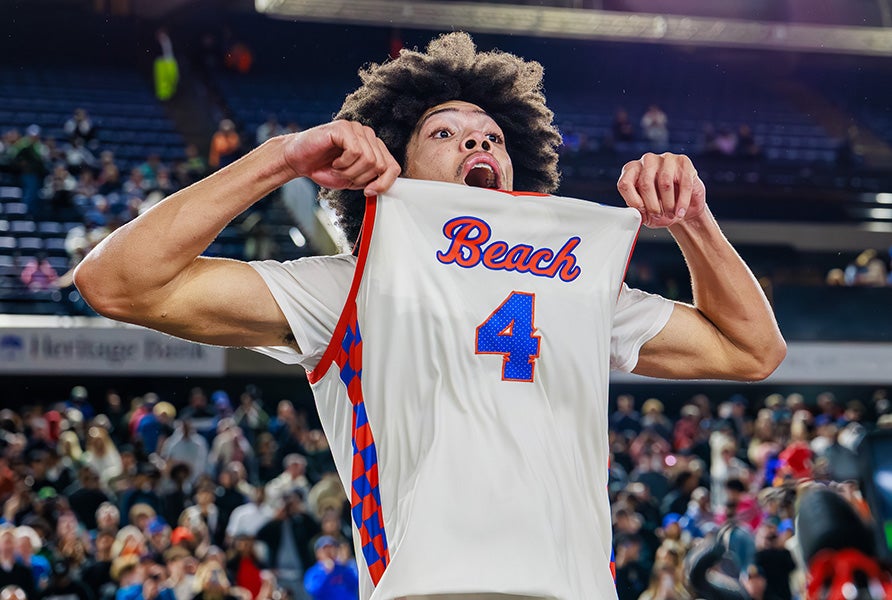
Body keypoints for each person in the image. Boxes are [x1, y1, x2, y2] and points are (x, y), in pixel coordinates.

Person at [74, 32, 785, 600]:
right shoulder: (346, 286)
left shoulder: (580, 290)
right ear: (395, 170)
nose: (479, 142)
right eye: (445, 134)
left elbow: (753, 352)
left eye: (493, 137)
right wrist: (280, 158)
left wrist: (692, 220)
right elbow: (119, 285)